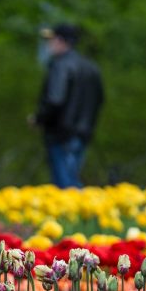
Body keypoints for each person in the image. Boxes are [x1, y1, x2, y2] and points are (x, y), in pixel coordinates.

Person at [29, 24, 104, 188]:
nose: (48, 45)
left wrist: (39, 119)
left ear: (61, 41)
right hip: (84, 132)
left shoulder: (60, 65)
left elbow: (55, 99)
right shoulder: (91, 67)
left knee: (65, 185)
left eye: (51, 40)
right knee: (72, 177)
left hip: (61, 133)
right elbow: (99, 99)